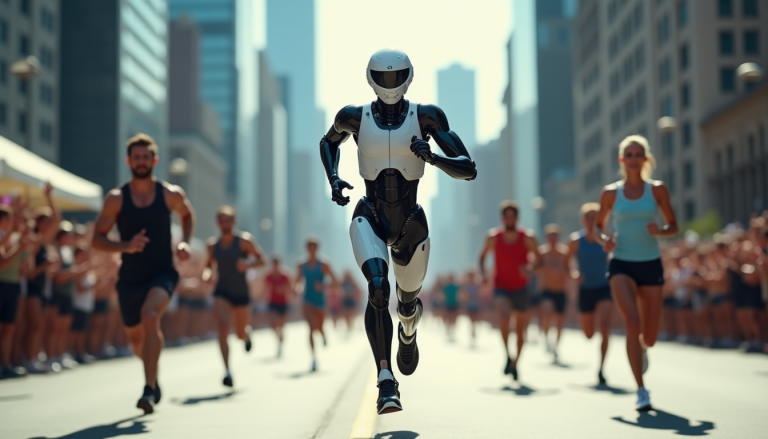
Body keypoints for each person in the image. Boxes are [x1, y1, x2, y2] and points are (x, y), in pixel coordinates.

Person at [319, 49, 477, 414]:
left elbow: (468, 168)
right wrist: (334, 178)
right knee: (378, 288)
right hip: (370, 215)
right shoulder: (353, 116)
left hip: (411, 224)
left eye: (396, 77)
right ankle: (386, 380)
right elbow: (328, 141)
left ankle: (408, 328)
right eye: (383, 77)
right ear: (371, 78)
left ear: (408, 77)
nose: (389, 84)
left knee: (407, 304)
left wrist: (433, 157)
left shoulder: (427, 116)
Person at [92, 133, 195, 414]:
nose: (141, 162)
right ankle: (153, 373)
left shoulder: (170, 194)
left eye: (145, 157)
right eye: (136, 157)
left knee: (150, 317)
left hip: (163, 272)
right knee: (137, 341)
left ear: (154, 160)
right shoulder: (116, 199)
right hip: (130, 278)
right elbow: (96, 239)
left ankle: (148, 390)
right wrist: (125, 245)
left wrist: (185, 242)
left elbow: (187, 215)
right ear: (129, 161)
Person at [595, 134, 678, 411]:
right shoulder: (610, 193)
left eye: (638, 154)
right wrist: (605, 240)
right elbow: (598, 227)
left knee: (649, 337)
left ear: (645, 159)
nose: (633, 159)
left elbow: (673, 225)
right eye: (628, 155)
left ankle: (641, 348)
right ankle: (641, 390)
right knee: (632, 322)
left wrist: (660, 231)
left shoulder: (657, 190)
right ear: (622, 160)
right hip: (621, 263)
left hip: (650, 263)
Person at [479, 200, 541, 382]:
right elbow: (482, 257)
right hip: (501, 287)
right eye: (506, 216)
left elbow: (540, 261)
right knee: (505, 317)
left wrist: (529, 269)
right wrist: (484, 275)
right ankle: (507, 354)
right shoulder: (493, 237)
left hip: (521, 288)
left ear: (517, 218)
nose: (510, 219)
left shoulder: (528, 237)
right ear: (502, 219)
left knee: (520, 331)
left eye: (512, 216)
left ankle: (515, 363)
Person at [203, 206, 265, 388]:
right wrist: (207, 274)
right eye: (222, 220)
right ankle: (227, 371)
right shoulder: (212, 246)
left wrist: (247, 265)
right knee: (223, 328)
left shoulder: (244, 241)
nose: (225, 223)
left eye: (228, 220)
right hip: (222, 292)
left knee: (239, 333)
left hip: (241, 293)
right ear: (217, 223)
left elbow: (262, 260)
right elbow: (208, 266)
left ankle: (246, 335)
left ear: (234, 222)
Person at [567, 203, 613, 385]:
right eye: (589, 217)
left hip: (604, 286)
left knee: (605, 326)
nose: (593, 221)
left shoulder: (606, 239)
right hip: (585, 288)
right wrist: (574, 273)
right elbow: (567, 261)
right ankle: (589, 330)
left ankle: (601, 368)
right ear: (583, 221)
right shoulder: (575, 240)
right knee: (589, 334)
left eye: (596, 217)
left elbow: (615, 255)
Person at [22, 185, 60, 373]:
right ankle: (28, 359)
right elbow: (30, 273)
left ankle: (34, 358)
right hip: (32, 288)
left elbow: (57, 219)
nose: (47, 225)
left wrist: (49, 197)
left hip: (42, 288)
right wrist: (44, 266)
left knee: (39, 326)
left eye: (47, 222)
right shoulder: (35, 242)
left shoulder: (43, 243)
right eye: (43, 221)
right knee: (34, 326)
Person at [0, 200, 33, 378]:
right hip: (2, 284)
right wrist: (20, 248)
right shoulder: (5, 238)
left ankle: (6, 364)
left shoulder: (12, 238)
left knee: (9, 328)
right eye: (10, 218)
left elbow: (22, 268)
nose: (13, 222)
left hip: (13, 286)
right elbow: (3, 263)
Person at [294, 238, 337, 372]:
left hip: (320, 302)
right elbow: (296, 281)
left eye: (314, 247)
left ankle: (323, 334)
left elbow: (335, 281)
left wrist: (323, 286)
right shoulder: (301, 264)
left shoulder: (324, 264)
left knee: (319, 328)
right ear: (307, 249)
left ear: (317, 248)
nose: (311, 249)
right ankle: (313, 359)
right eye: (309, 247)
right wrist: (296, 289)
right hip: (307, 300)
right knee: (311, 328)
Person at [537, 224, 569, 362]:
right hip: (546, 290)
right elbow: (534, 267)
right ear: (546, 237)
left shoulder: (564, 253)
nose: (553, 238)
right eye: (550, 236)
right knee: (547, 312)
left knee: (560, 321)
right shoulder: (541, 253)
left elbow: (570, 269)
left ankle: (556, 346)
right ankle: (546, 338)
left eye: (555, 235)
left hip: (561, 291)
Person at [70, 245, 96, 364]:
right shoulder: (78, 269)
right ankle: (72, 353)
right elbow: (80, 288)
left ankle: (79, 353)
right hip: (77, 304)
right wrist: (94, 286)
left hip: (86, 305)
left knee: (81, 331)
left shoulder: (88, 271)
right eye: (82, 254)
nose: (85, 257)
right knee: (75, 331)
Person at [265, 256, 292, 357]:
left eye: (277, 264)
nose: (275, 266)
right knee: (273, 324)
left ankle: (280, 343)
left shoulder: (285, 276)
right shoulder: (268, 276)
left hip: (283, 303)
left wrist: (282, 289)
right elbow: (264, 288)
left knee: (281, 326)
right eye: (274, 264)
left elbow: (290, 288)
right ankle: (278, 340)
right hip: (272, 302)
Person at [461, 270, 483, 346]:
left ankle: (474, 329)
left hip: (476, 305)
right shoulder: (466, 286)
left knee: (475, 319)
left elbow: (480, 294)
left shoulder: (477, 285)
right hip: (469, 305)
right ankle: (472, 330)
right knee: (471, 319)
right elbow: (463, 296)